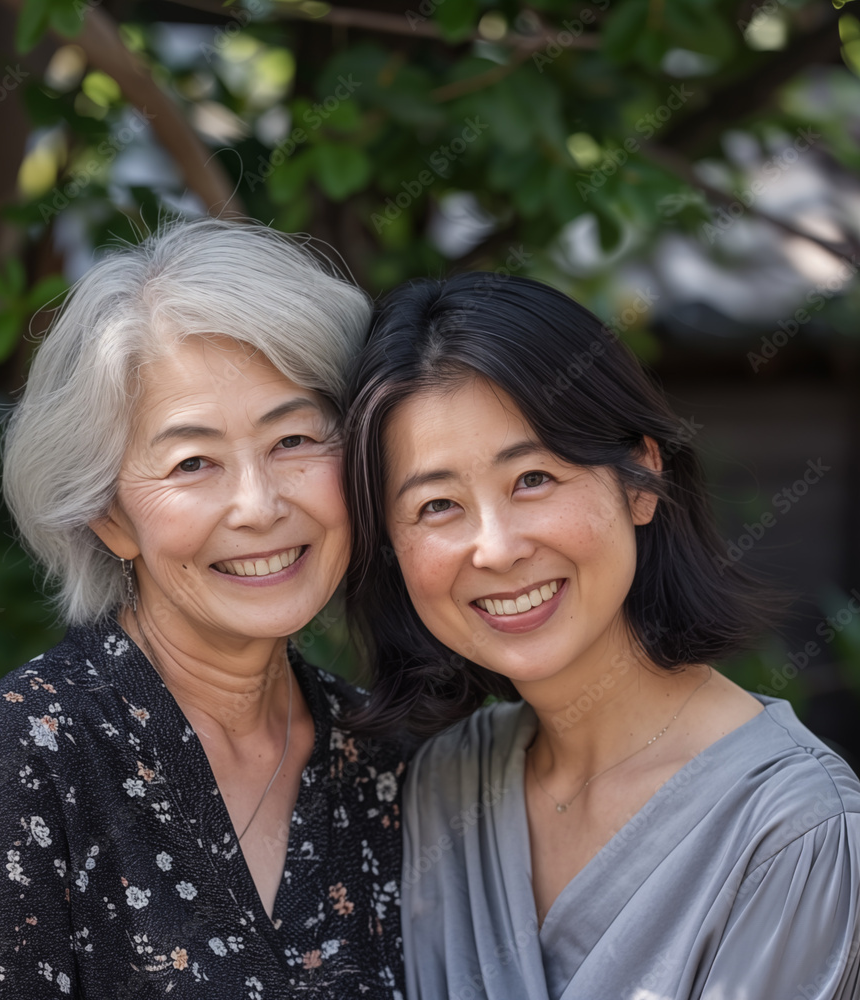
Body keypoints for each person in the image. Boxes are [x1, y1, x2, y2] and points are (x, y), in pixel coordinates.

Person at [0, 218, 408, 1000]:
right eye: (193, 462)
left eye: (296, 439)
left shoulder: (385, 758)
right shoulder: (16, 761)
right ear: (109, 516)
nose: (259, 505)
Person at [343, 272, 860, 1000]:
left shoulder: (794, 830)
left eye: (532, 479)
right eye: (436, 505)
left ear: (640, 480)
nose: (496, 549)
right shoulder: (441, 784)